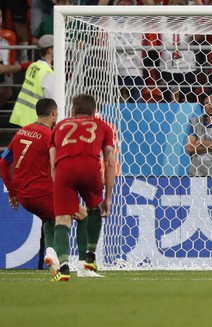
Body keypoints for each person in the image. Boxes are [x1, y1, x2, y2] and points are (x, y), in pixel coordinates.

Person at [0, 98, 95, 278]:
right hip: (43, 192)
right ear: (53, 113)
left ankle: (55, 265)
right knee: (83, 216)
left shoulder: (21, 132)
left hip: (25, 196)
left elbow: (3, 163)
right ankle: (83, 268)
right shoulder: (50, 136)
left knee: (50, 220)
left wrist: (12, 191)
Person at [49, 94, 115, 282]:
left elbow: (52, 162)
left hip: (63, 170)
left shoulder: (59, 126)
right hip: (89, 167)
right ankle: (89, 260)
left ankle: (63, 267)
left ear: (72, 111)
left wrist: (59, 187)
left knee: (62, 220)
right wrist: (108, 197)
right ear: (94, 112)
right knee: (94, 209)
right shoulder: (103, 126)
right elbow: (110, 162)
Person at [9, 35, 54, 127]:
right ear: (50, 50)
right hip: (35, 119)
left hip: (22, 115)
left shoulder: (33, 66)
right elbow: (51, 99)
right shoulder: (47, 72)